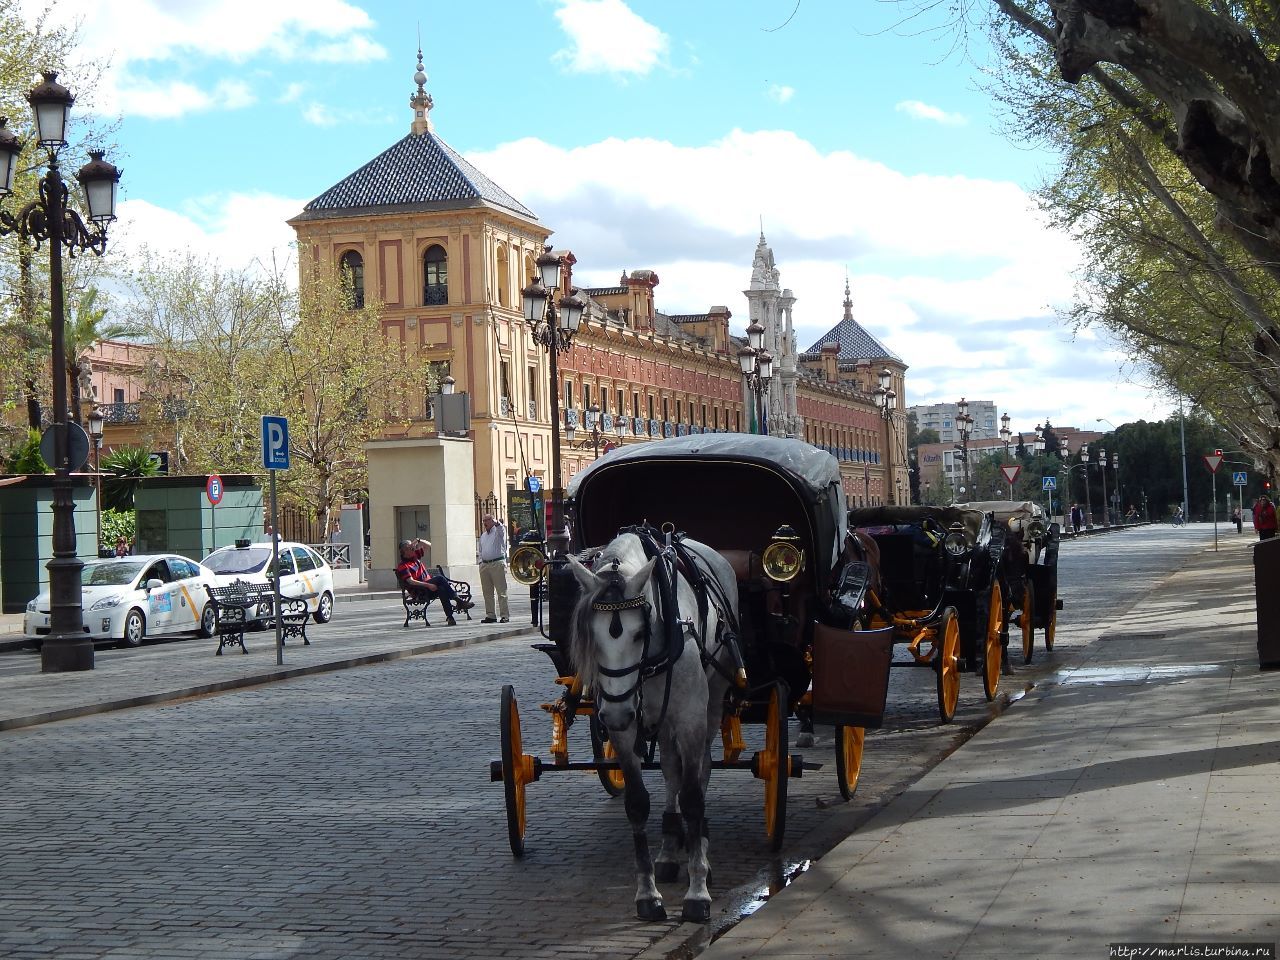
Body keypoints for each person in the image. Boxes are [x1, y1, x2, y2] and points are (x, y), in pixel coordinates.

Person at [395, 538, 472, 625]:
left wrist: (418, 540)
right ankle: (458, 601)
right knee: (440, 578)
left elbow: (429, 545)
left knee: (441, 589)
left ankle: (450, 617)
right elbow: (411, 581)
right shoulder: (403, 566)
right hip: (420, 591)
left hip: (428, 588)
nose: (414, 548)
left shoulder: (415, 557)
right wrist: (428, 585)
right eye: (411, 548)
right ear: (405, 551)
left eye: (413, 547)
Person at [476, 514, 510, 624]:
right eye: (483, 520)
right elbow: (480, 550)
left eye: (487, 520)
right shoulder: (483, 535)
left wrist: (497, 523)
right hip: (485, 565)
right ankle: (490, 615)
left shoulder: (499, 532)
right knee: (487, 592)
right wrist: (481, 562)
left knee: (501, 591)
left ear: (492, 520)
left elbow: (501, 528)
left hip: (497, 563)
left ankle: (504, 615)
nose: (485, 523)